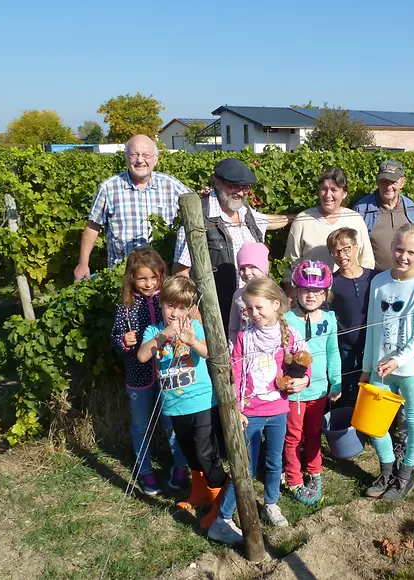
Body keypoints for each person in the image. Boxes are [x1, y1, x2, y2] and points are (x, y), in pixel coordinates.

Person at [212, 278, 310, 545]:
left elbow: (303, 364)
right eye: (249, 309)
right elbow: (236, 375)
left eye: (259, 307)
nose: (254, 314)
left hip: (279, 409)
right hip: (250, 412)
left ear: (276, 305)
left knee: (274, 460)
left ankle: (270, 503)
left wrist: (304, 380)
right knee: (244, 466)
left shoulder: (290, 334)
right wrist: (236, 408)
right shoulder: (245, 337)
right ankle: (222, 519)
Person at [136, 276, 228, 531]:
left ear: (189, 309)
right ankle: (199, 493)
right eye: (169, 306)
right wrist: (163, 336)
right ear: (161, 305)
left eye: (180, 307)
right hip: (174, 407)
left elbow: (210, 352)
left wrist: (191, 342)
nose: (174, 313)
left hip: (201, 403)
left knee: (206, 452)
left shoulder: (195, 327)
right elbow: (143, 356)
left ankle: (222, 502)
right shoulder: (154, 331)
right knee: (189, 452)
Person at [173, 158, 292, 335]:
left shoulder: (246, 212)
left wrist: (308, 216)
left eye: (246, 187)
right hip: (217, 312)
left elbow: (270, 221)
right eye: (234, 186)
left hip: (251, 312)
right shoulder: (197, 218)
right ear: (217, 183)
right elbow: (180, 273)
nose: (241, 192)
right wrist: (194, 312)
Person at [360, 224, 414, 500]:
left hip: (410, 369)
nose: (403, 256)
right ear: (391, 248)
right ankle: (387, 468)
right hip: (380, 366)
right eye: (399, 249)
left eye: (410, 252)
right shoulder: (379, 282)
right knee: (375, 420)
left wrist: (399, 360)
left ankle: (407, 474)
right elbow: (372, 328)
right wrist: (368, 367)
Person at [109, 247, 188, 495]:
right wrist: (124, 341)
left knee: (172, 423)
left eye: (154, 277)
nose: (149, 283)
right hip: (139, 374)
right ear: (131, 277)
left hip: (168, 373)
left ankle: (180, 466)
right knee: (141, 426)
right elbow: (114, 339)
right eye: (142, 278)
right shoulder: (126, 306)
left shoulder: (166, 299)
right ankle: (145, 471)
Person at [75, 135, 192, 280]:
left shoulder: (171, 185)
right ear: (126, 157)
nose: (140, 160)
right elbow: (93, 226)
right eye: (134, 155)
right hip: (123, 275)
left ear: (155, 159)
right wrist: (83, 263)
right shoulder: (108, 188)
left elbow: (195, 208)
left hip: (163, 274)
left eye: (146, 155)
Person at [283, 260, 342, 505]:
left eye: (317, 291)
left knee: (314, 432)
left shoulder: (329, 318)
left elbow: (333, 352)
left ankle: (314, 471)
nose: (311, 296)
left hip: (318, 390)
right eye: (306, 290)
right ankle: (294, 477)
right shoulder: (285, 319)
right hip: (294, 392)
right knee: (293, 436)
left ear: (326, 294)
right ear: (296, 290)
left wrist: (336, 382)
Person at [283, 167, 375, 290]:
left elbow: (366, 261)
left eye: (334, 190)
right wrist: (291, 295)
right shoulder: (303, 221)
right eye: (323, 189)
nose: (328, 195)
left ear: (344, 193)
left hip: (348, 292)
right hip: (313, 294)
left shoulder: (355, 219)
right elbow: (291, 264)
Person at [328, 228, 378, 406]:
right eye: (335, 252)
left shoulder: (374, 277)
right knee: (348, 393)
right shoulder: (332, 284)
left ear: (356, 248)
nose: (341, 255)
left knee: (371, 392)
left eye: (346, 249)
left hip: (371, 346)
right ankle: (347, 429)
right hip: (345, 349)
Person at [352, 160, 414, 271]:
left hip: (407, 278)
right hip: (373, 279)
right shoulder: (362, 209)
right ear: (377, 182)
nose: (388, 186)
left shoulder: (411, 208)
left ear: (402, 182)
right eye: (384, 182)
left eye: (393, 181)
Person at [227, 242, 270, 350]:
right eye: (242, 268)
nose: (247, 272)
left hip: (270, 348)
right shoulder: (238, 295)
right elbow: (233, 327)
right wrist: (232, 350)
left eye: (252, 267)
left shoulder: (273, 293)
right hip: (245, 350)